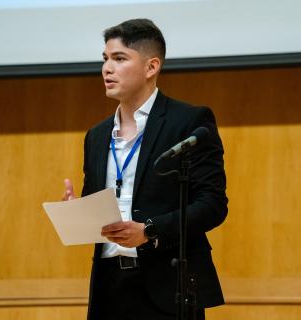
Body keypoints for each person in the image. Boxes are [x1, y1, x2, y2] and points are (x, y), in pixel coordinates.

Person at [62, 18, 228, 320]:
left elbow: (212, 205)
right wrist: (78, 212)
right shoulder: (97, 136)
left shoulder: (188, 122)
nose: (107, 68)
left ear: (151, 67)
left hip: (169, 288)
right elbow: (99, 210)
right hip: (109, 288)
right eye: (105, 59)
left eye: (119, 58)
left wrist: (150, 231)